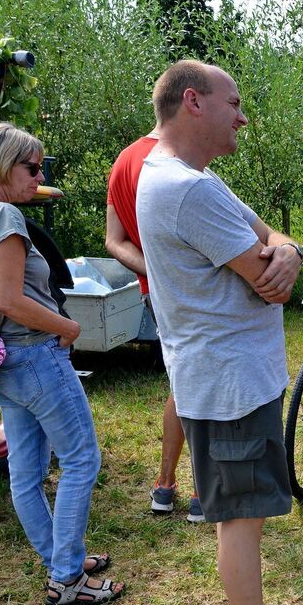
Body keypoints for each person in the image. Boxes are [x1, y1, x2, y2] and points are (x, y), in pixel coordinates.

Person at [136, 60, 303, 605]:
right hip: (226, 382)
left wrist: (290, 249)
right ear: (194, 102)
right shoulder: (186, 189)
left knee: (240, 510)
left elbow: (270, 239)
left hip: (228, 376)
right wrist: (281, 261)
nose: (243, 116)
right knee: (239, 515)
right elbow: (267, 279)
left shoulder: (193, 177)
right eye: (235, 103)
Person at [0, 122, 123, 605]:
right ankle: (67, 578)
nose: (39, 175)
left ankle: (61, 560)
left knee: (26, 471)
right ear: (3, 164)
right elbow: (8, 299)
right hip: (32, 353)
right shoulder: (3, 217)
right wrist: (68, 329)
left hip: (3, 361)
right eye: (32, 166)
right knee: (81, 460)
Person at [105, 129, 202, 522]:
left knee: (182, 383)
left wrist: (154, 274)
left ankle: (165, 486)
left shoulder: (123, 160)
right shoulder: (171, 161)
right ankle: (201, 490)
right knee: (197, 387)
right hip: (190, 294)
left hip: (157, 293)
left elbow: (114, 241)